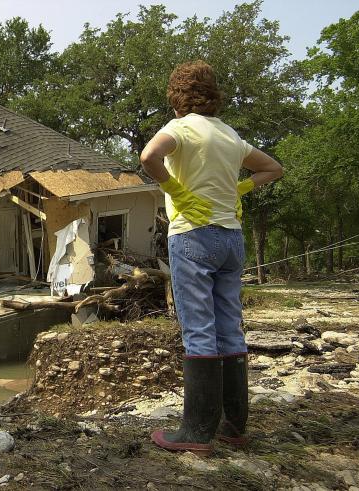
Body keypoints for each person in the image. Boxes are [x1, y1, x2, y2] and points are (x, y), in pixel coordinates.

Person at [139, 60, 283, 456]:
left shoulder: (179, 128)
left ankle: (196, 431)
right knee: (229, 327)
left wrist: (178, 192)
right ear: (214, 97)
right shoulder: (230, 134)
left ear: (176, 99)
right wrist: (241, 189)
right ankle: (232, 426)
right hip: (231, 238)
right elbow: (273, 168)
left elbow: (149, 157)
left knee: (199, 328)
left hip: (193, 236)